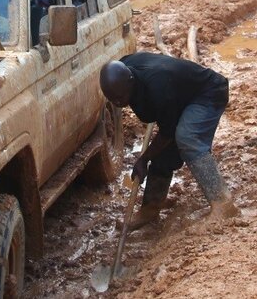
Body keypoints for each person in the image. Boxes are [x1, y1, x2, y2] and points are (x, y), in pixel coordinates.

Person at [99, 52, 239, 231]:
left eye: (121, 97)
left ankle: (223, 204)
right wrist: (150, 155)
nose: (118, 103)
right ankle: (150, 208)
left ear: (131, 82)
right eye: (113, 99)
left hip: (209, 93)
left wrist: (144, 158)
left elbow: (167, 132)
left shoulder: (158, 85)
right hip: (178, 97)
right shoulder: (125, 68)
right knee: (163, 149)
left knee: (187, 137)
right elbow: (165, 130)